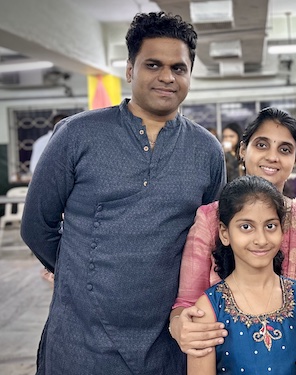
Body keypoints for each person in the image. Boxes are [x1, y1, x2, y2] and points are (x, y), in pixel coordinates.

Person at [20, 12, 225, 375]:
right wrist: (80, 275)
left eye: (179, 68)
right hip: (81, 337)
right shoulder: (75, 135)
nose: (167, 76)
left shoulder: (206, 149)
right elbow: (37, 225)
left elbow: (210, 237)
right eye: (153, 65)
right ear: (130, 70)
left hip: (168, 338)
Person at [170, 107, 296, 357]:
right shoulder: (212, 218)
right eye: (262, 145)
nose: (273, 157)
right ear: (243, 150)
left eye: (285, 149)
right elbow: (186, 304)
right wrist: (180, 325)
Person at [187, 175, 296, 375]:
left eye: (270, 226)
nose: (261, 239)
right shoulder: (208, 310)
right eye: (246, 227)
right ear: (225, 233)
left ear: (282, 230)